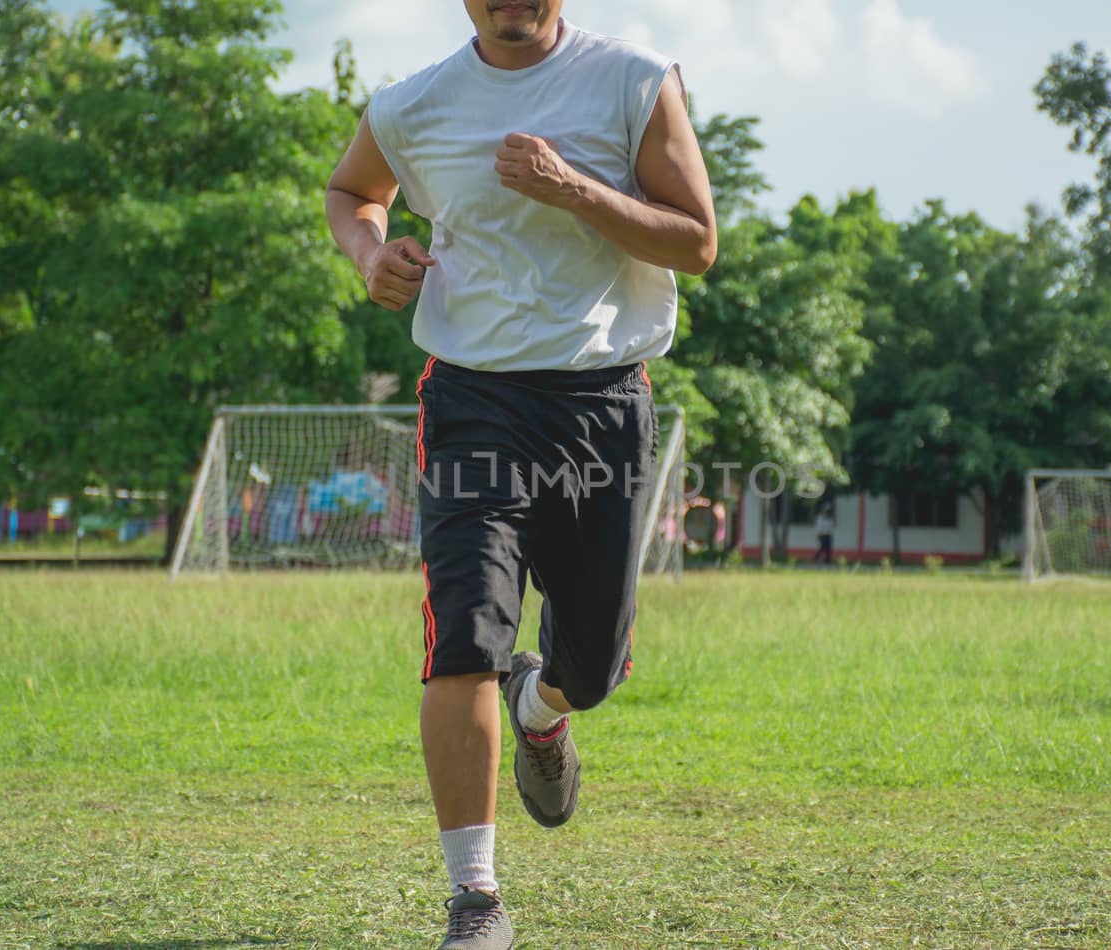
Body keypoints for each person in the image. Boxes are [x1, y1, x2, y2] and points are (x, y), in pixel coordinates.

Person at [324, 2, 716, 947]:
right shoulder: (413, 104)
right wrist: (372, 253)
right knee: (463, 635)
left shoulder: (633, 79)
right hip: (472, 401)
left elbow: (695, 242)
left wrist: (573, 188)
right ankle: (477, 902)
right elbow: (352, 192)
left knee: (594, 662)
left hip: (600, 401)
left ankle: (542, 709)